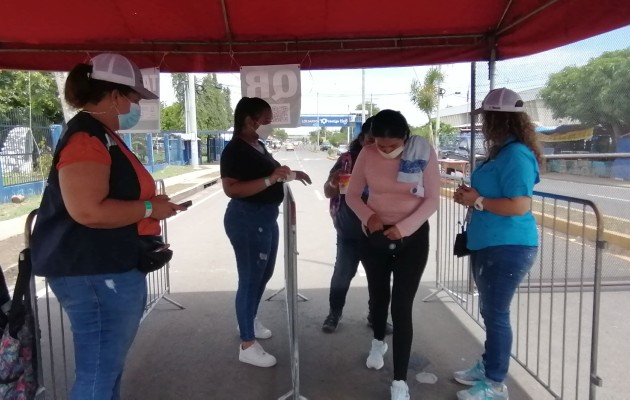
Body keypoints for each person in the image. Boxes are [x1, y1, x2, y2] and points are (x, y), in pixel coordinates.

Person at [30, 53, 183, 400]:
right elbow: (88, 211)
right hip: (95, 273)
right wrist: (148, 207)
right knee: (98, 374)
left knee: (106, 369)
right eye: (133, 98)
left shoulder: (101, 135)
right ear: (115, 96)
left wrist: (152, 209)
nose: (135, 107)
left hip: (103, 268)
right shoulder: (87, 139)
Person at [453, 87, 541, 400]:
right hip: (490, 243)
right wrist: (471, 198)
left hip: (508, 246)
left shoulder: (516, 155)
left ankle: (495, 383)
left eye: (486, 118)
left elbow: (519, 205)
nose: (483, 125)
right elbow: (490, 197)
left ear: (497, 120)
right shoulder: (502, 152)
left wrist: (477, 201)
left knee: (496, 313)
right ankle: (489, 366)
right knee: (490, 310)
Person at [346, 109, 440, 400]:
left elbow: (432, 199)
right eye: (380, 145)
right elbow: (352, 195)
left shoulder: (423, 153)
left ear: (406, 138)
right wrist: (368, 216)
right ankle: (378, 342)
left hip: (411, 237)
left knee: (401, 307)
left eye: (392, 146)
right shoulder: (367, 153)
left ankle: (400, 381)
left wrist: (404, 227)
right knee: (378, 296)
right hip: (374, 234)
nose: (386, 151)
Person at [221, 97, 312, 367]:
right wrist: (270, 179)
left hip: (266, 217)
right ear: (250, 120)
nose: (270, 126)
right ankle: (247, 344)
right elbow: (232, 189)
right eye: (267, 121)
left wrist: (291, 173)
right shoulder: (234, 150)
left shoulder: (257, 145)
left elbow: (273, 172)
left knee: (264, 273)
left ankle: (248, 319)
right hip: (247, 219)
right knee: (250, 278)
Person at [322, 117, 393, 334]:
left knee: (379, 278)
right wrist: (334, 183)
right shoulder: (346, 161)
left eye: (378, 141)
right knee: (342, 274)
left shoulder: (390, 163)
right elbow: (328, 191)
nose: (374, 146)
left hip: (378, 231)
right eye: (370, 140)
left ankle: (375, 316)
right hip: (349, 231)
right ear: (361, 139)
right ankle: (334, 313)